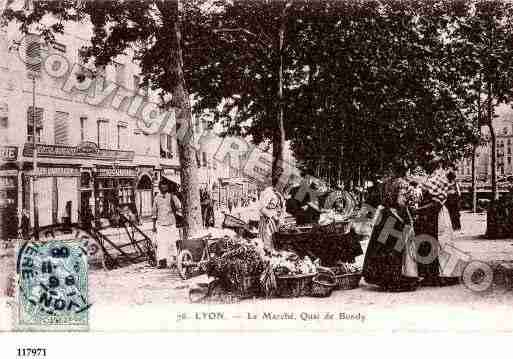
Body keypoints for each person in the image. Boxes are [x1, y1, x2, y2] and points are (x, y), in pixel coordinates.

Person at [362, 167, 419, 292]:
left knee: (383, 246)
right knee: (395, 248)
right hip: (395, 216)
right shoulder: (402, 183)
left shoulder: (386, 183)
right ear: (405, 172)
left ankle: (383, 280)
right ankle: (394, 279)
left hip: (385, 216)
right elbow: (400, 202)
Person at [414, 160, 460, 286]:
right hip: (432, 215)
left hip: (437, 215)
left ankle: (441, 275)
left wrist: (418, 209)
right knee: (431, 244)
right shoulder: (433, 177)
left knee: (438, 243)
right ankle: (433, 275)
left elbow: (436, 203)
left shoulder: (438, 178)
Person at [152, 180, 182, 269]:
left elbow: (179, 206)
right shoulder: (156, 198)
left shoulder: (172, 196)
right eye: (162, 186)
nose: (163, 188)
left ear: (168, 187)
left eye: (165, 186)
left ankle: (175, 261)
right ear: (159, 188)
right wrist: (154, 226)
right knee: (161, 243)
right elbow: (154, 213)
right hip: (161, 224)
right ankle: (162, 261)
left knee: (172, 242)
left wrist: (175, 209)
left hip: (171, 223)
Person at [258, 180, 286, 249]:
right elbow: (261, 208)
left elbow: (282, 209)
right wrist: (272, 215)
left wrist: (280, 220)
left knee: (273, 241)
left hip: (275, 223)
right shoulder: (268, 192)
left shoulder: (280, 195)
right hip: (267, 221)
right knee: (266, 242)